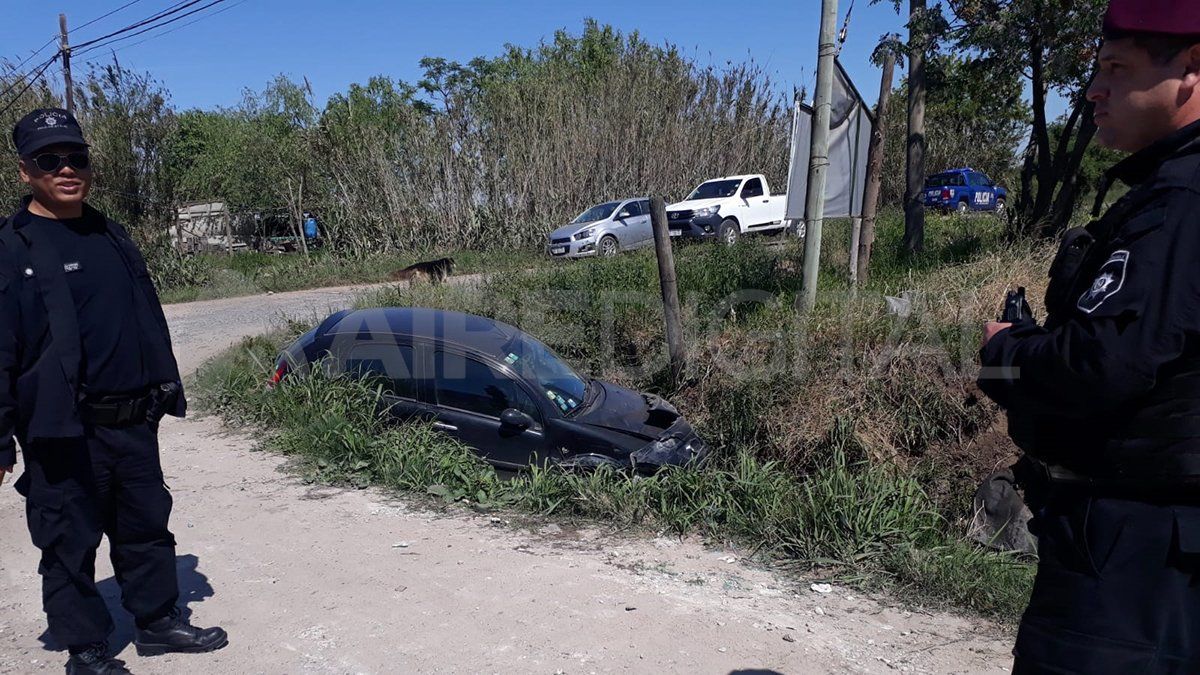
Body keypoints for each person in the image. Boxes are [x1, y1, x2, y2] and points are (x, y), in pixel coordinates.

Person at [977, 1, 1200, 672]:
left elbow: (1098, 365)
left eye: (1117, 68)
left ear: (1191, 67)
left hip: (1132, 553)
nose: (1096, 90)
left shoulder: (1180, 203)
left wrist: (1004, 351)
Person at [0, 109, 227, 674]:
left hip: (132, 419)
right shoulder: (11, 249)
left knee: (146, 525)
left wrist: (163, 388)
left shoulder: (109, 233)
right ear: (25, 169)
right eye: (50, 160)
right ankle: (87, 648)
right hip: (61, 429)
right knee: (67, 543)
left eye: (76, 157)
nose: (67, 169)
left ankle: (156, 622)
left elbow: (141, 316)